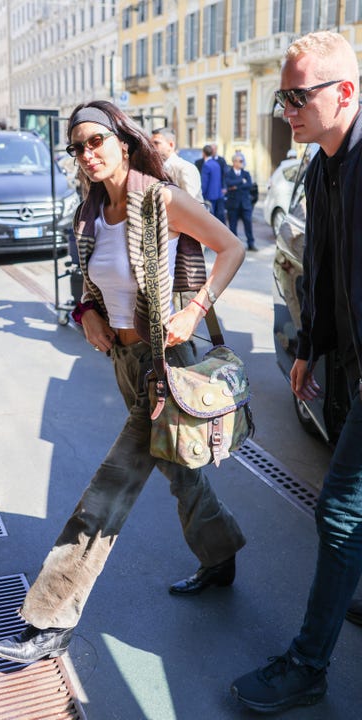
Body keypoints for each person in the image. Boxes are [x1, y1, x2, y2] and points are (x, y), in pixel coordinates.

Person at [0, 100, 246, 664]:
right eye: (77, 147)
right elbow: (92, 285)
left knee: (109, 490)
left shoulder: (159, 199)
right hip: (126, 367)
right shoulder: (88, 213)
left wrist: (198, 308)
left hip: (167, 365)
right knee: (181, 475)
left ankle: (51, 615)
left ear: (122, 143)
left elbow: (233, 246)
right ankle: (221, 553)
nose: (86, 154)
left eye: (95, 142)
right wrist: (87, 316)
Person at [231, 31, 362, 713]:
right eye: (282, 97)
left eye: (297, 95)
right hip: (347, 366)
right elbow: (325, 274)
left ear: (344, 92)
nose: (286, 109)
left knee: (340, 509)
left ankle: (308, 665)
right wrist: (309, 348)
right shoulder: (319, 166)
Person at [150, 126, 204, 200]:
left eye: (156, 143)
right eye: (151, 143)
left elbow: (190, 204)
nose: (152, 147)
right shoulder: (156, 167)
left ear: (171, 145)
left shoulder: (186, 169)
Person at [225, 154, 257, 251]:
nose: (242, 163)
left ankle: (251, 244)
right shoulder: (228, 173)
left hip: (245, 204)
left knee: (248, 224)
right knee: (232, 225)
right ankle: (234, 246)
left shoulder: (246, 173)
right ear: (234, 162)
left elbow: (249, 185)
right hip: (233, 204)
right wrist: (241, 181)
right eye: (240, 161)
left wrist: (235, 187)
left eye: (242, 160)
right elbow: (228, 183)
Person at [201, 144, 226, 223]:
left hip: (208, 196)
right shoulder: (216, 164)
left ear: (203, 153)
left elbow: (204, 182)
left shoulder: (206, 165)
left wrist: (202, 194)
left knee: (209, 219)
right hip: (217, 195)